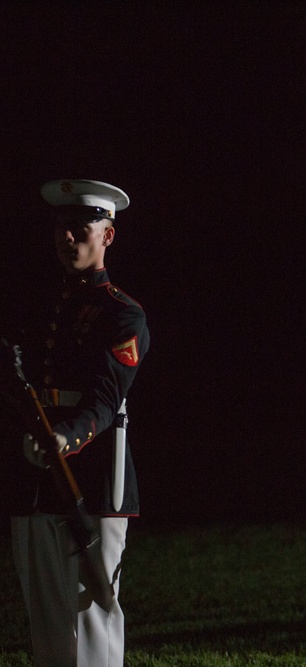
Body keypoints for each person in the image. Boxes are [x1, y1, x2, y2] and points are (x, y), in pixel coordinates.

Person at [4, 179, 150, 667]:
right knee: (45, 625)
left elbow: (107, 400)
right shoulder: (40, 308)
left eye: (81, 228)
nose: (68, 239)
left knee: (91, 622)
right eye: (61, 228)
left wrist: (66, 437)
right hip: (33, 481)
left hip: (90, 477)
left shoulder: (122, 315)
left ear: (107, 236)